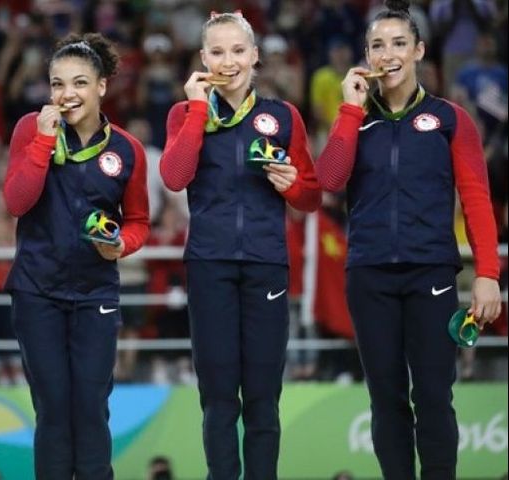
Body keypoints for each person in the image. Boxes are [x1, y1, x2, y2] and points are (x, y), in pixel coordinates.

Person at [315, 1, 503, 478]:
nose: (389, 53)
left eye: (399, 43)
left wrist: (487, 274)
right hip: (369, 277)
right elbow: (329, 181)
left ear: (419, 50)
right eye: (378, 45)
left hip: (431, 275)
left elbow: (476, 198)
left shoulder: (450, 119)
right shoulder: (355, 118)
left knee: (435, 395)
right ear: (367, 56)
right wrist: (349, 110)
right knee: (386, 398)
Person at [159, 11, 321, 479]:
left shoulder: (282, 116)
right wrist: (196, 110)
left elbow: (312, 196)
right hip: (209, 265)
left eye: (236, 51)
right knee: (218, 397)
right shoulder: (184, 114)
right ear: (202, 58)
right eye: (217, 52)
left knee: (263, 396)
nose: (227, 61)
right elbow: (174, 177)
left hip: (266, 264)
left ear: (254, 56)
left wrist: (292, 185)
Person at [3, 33, 150, 478]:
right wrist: (43, 143)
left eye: (80, 83)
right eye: (58, 83)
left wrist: (121, 245)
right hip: (37, 291)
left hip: (95, 293)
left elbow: (138, 221)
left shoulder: (127, 149)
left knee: (90, 407)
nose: (67, 94)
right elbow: (17, 201)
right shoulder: (31, 129)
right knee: (52, 408)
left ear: (101, 86)